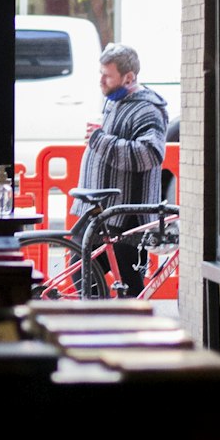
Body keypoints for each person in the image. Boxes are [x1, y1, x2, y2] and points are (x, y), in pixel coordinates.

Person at [73, 42, 168, 296]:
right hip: (102, 212)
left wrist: (100, 140)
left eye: (107, 75)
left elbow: (149, 154)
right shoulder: (115, 101)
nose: (101, 81)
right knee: (81, 273)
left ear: (129, 77)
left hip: (125, 216)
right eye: (100, 73)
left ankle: (123, 329)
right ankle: (101, 325)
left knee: (128, 284)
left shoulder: (147, 109)